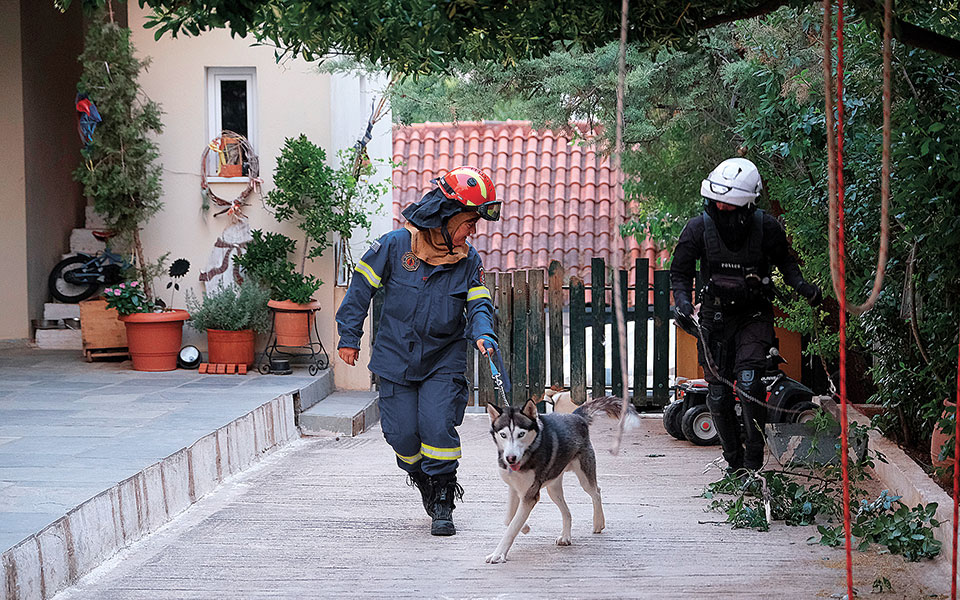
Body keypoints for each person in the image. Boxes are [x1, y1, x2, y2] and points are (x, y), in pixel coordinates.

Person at [336, 166, 501, 536]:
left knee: (437, 424)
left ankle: (443, 497)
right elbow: (360, 289)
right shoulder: (395, 246)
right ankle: (422, 479)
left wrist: (483, 333)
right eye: (469, 222)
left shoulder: (468, 261)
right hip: (395, 357)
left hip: (443, 359)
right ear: (448, 216)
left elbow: (478, 305)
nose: (472, 231)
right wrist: (349, 336)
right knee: (402, 435)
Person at [670, 158, 821, 474]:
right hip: (715, 317)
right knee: (718, 395)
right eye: (716, 203)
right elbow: (680, 273)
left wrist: (803, 287)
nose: (720, 209)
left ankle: (753, 461)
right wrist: (683, 303)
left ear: (747, 206)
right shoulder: (698, 228)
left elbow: (787, 264)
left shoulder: (767, 228)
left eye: (728, 205)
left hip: (754, 314)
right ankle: (734, 465)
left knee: (750, 385)